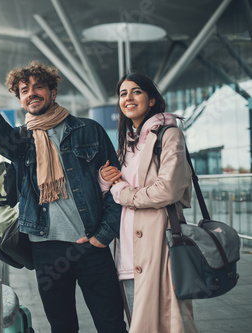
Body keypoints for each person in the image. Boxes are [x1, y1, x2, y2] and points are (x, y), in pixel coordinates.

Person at [0, 48, 127, 333]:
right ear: (20, 98)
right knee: (62, 326)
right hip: (47, 249)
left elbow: (117, 188)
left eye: (38, 86)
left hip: (91, 243)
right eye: (24, 89)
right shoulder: (21, 141)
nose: (31, 93)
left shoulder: (89, 131)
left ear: (53, 91)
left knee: (111, 323)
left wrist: (104, 236)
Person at [96, 72, 198, 332]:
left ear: (151, 100)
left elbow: (168, 190)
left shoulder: (169, 135)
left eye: (136, 91)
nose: (128, 98)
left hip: (158, 244)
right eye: (122, 93)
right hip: (129, 250)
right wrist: (105, 181)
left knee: (168, 320)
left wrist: (122, 193)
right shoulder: (127, 142)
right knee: (139, 322)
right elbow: (117, 186)